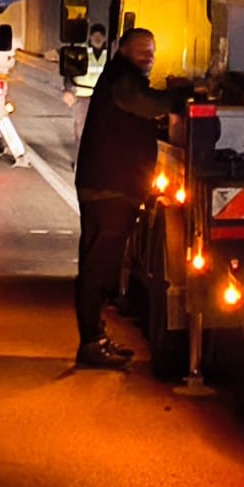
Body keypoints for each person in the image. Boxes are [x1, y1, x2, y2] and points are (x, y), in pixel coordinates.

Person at [71, 27, 188, 370]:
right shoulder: (122, 79)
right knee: (98, 267)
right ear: (123, 50)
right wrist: (180, 99)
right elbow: (145, 104)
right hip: (108, 189)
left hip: (108, 186)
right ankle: (91, 345)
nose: (149, 57)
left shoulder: (122, 76)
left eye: (152, 51)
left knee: (101, 266)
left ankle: (96, 339)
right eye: (142, 50)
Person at [62, 21, 112, 156]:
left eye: (100, 36)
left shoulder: (110, 55)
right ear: (90, 37)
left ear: (105, 38)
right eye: (95, 36)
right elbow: (69, 73)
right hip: (82, 97)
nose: (97, 39)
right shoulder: (81, 53)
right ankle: (81, 159)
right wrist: (67, 90)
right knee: (82, 130)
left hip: (102, 98)